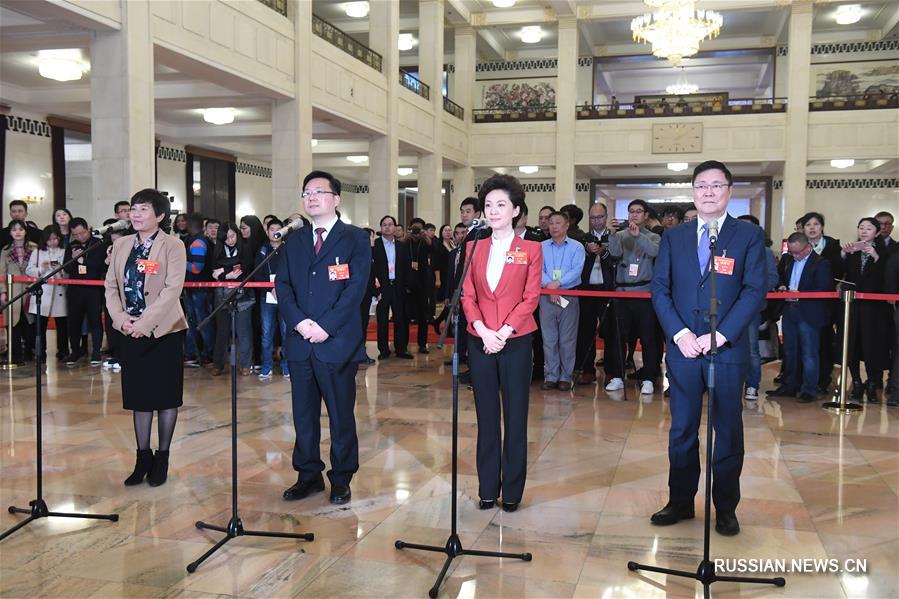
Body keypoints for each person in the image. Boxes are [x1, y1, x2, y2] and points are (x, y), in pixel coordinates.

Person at [650, 160, 766, 537]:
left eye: (717, 186)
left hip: (726, 350)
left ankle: (726, 507)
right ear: (693, 192)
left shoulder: (747, 237)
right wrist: (679, 332)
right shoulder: (675, 236)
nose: (709, 192)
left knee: (727, 431)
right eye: (702, 186)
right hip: (683, 350)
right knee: (682, 429)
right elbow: (660, 289)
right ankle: (680, 501)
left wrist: (723, 334)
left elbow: (753, 291)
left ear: (729, 190)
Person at [276, 170, 370, 505]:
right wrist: (300, 323)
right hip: (301, 342)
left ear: (336, 199)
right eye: (306, 193)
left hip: (337, 342)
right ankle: (308, 475)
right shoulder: (294, 240)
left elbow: (355, 289)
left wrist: (325, 326)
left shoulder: (355, 238)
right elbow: (282, 286)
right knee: (303, 414)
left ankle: (342, 478)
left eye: (318, 191)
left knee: (341, 414)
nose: (311, 197)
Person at [460, 174, 542, 512]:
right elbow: (467, 295)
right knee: (487, 417)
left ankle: (512, 491)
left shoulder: (531, 249)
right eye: (489, 205)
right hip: (481, 341)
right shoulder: (472, 247)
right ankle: (487, 488)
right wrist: (481, 329)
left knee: (515, 416)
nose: (493, 211)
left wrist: (503, 332)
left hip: (516, 341)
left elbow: (530, 298)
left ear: (516, 210)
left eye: (501, 205)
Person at [104, 189, 187, 487]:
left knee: (165, 396)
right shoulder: (121, 245)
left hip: (164, 331)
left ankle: (162, 457)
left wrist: (146, 322)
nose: (136, 215)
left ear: (160, 216)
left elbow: (172, 289)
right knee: (139, 397)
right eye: (133, 210)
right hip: (130, 330)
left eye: (143, 210)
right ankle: (142, 458)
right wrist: (122, 320)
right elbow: (111, 288)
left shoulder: (173, 245)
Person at [766, 233, 833, 403]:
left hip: (809, 311)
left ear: (808, 247)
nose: (794, 255)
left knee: (809, 353)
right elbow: (780, 277)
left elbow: (825, 289)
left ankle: (808, 389)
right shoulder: (788, 260)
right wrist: (781, 286)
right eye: (791, 252)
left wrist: (802, 294)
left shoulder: (821, 263)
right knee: (790, 351)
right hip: (789, 310)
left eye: (798, 252)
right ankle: (789, 386)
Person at [606, 199, 662, 395]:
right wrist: (612, 234)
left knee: (648, 338)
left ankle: (648, 377)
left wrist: (638, 237)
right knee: (618, 336)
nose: (634, 215)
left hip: (644, 293)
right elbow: (614, 254)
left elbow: (654, 251)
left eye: (639, 211)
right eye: (631, 212)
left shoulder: (654, 236)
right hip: (622, 292)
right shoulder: (621, 235)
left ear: (646, 215)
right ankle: (617, 375)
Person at [841, 217, 890, 402]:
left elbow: (885, 278)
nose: (864, 231)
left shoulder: (884, 252)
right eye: (861, 227)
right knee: (851, 344)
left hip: (874, 309)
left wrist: (876, 257)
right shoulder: (853, 250)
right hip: (852, 306)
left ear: (877, 233)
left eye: (869, 228)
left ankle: (872, 384)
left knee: (872, 346)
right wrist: (844, 254)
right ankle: (856, 382)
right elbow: (840, 274)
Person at [540, 211, 585, 391]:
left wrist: (557, 284)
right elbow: (538, 269)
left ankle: (565, 376)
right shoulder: (541, 246)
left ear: (567, 225)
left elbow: (576, 270)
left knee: (567, 338)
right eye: (551, 223)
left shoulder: (576, 247)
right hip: (546, 296)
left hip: (568, 295)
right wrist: (549, 286)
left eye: (558, 223)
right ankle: (551, 376)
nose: (554, 226)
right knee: (549, 338)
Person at [735, 215, 779, 400]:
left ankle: (752, 384)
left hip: (751, 306)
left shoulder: (764, 251)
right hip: (729, 306)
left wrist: (752, 293)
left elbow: (771, 278)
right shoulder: (730, 248)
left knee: (752, 347)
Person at [800, 211, 843, 393]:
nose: (812, 228)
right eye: (808, 225)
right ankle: (803, 380)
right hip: (803, 303)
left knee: (824, 341)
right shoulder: (799, 246)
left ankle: (823, 379)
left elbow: (840, 271)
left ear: (822, 227)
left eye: (816, 224)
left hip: (826, 302)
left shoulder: (833, 246)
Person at [575, 202, 615, 386]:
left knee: (610, 331)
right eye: (593, 217)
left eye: (599, 217)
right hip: (587, 290)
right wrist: (588, 251)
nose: (596, 221)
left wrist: (604, 252)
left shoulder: (614, 236)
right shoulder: (583, 238)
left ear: (606, 217)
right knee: (586, 331)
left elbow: (617, 261)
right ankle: (586, 370)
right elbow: (577, 264)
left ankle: (612, 371)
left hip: (608, 290)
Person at [210, 223, 255, 376]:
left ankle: (246, 364)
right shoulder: (217, 250)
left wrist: (224, 270)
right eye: (226, 238)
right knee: (222, 330)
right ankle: (218, 364)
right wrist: (229, 271)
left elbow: (245, 268)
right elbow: (214, 273)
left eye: (232, 236)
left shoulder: (246, 248)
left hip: (243, 294)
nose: (230, 240)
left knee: (243, 330)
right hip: (221, 294)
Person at [63, 218, 107, 365]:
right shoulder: (71, 246)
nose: (80, 237)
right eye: (76, 234)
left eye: (82, 233)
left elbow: (101, 266)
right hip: (75, 289)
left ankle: (96, 351)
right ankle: (75, 351)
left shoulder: (99, 243)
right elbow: (66, 268)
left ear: (88, 229)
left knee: (95, 321)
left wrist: (83, 261)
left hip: (93, 289)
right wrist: (74, 259)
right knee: (74, 321)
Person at [25, 226, 68, 361]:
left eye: (55, 239)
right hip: (43, 291)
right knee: (40, 325)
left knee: (62, 324)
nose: (53, 242)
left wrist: (59, 269)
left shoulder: (64, 251)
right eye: (50, 239)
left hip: (59, 291)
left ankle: (63, 350)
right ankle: (40, 353)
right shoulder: (38, 252)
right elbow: (29, 270)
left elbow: (68, 272)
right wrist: (41, 268)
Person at [372, 215, 412, 359]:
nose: (387, 227)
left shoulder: (402, 246)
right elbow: (372, 269)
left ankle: (401, 349)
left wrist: (407, 286)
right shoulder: (375, 245)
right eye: (384, 224)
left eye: (390, 224)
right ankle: (383, 350)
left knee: (401, 319)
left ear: (395, 227)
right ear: (381, 227)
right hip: (383, 287)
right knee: (382, 320)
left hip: (398, 286)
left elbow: (407, 267)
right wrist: (376, 290)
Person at [254, 218, 289, 379]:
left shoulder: (288, 249)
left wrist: (280, 288)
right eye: (271, 229)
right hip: (266, 297)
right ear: (267, 232)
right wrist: (270, 288)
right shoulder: (262, 250)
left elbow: (292, 273)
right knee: (267, 333)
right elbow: (257, 274)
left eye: (278, 228)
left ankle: (286, 366)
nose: (275, 232)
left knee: (286, 332)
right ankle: (266, 366)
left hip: (285, 297)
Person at [0, 221, 38, 363]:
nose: (17, 232)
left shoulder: (34, 248)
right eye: (14, 229)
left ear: (25, 231)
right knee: (13, 323)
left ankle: (29, 353)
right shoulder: (5, 250)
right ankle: (15, 354)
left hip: (29, 290)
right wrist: (3, 291)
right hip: (12, 290)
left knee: (29, 322)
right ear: (10, 232)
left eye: (20, 229)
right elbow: (1, 272)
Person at [183, 213, 215, 366]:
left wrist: (181, 263)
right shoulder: (197, 240)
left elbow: (196, 268)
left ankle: (206, 353)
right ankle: (194, 353)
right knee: (194, 321)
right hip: (194, 288)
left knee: (202, 322)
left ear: (190, 225)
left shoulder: (198, 243)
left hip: (199, 289)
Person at [406, 223, 433, 353]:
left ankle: (422, 344)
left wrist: (426, 236)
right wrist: (407, 236)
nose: (416, 233)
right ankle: (403, 344)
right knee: (406, 315)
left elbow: (434, 249)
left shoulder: (424, 242)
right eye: (414, 230)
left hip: (423, 283)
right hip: (408, 283)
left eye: (418, 230)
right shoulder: (407, 242)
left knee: (423, 316)